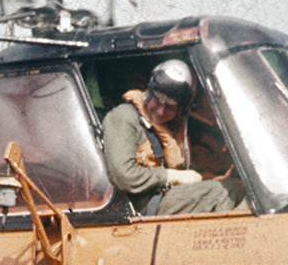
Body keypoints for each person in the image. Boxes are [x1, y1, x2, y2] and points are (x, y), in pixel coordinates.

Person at [101, 58, 245, 216]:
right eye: (158, 99)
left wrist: (215, 177)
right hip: (143, 206)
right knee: (226, 191)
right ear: (149, 91)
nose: (161, 111)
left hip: (163, 196)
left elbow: (189, 171)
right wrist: (171, 176)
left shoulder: (174, 127)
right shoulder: (124, 117)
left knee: (232, 185)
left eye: (170, 106)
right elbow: (123, 176)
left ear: (180, 110)